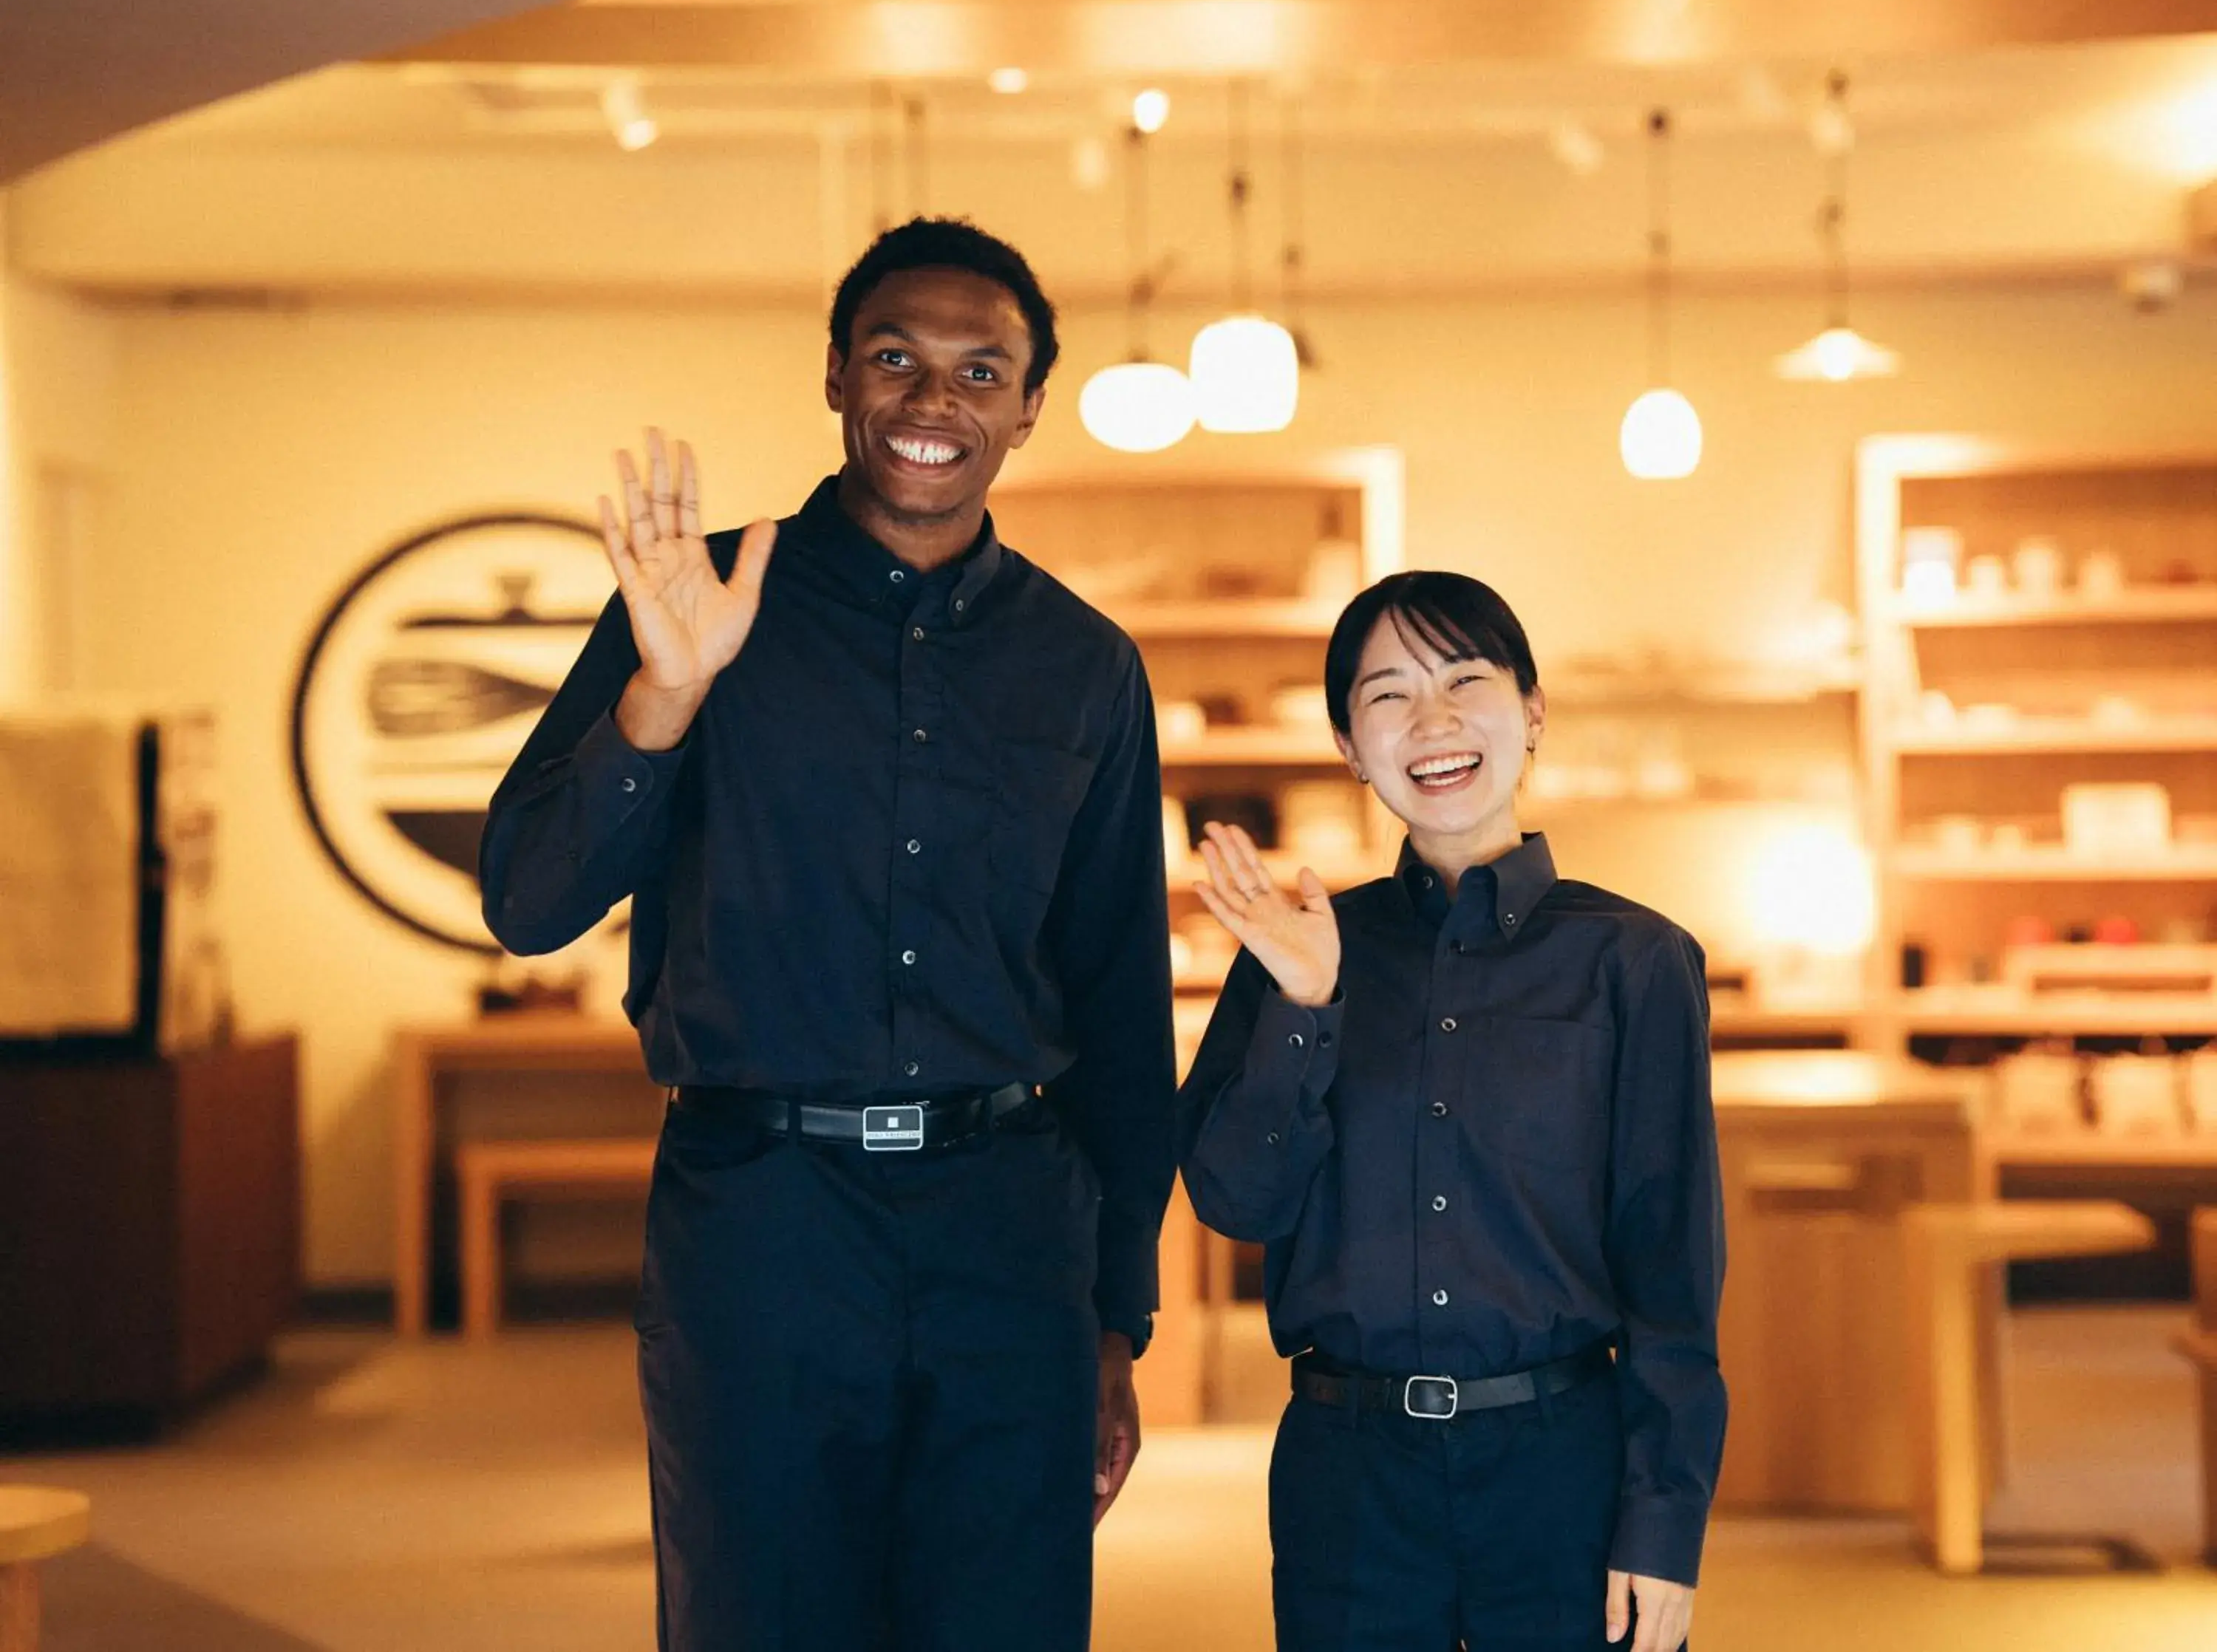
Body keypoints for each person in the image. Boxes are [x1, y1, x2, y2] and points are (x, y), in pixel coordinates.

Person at [479, 217, 1176, 1652]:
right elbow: (528, 903)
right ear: (837, 379)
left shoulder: (1086, 666)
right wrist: (662, 699)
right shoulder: (693, 600)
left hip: (1011, 1231)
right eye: (896, 359)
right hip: (761, 1222)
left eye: (982, 370)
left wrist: (1116, 1317)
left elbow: (1119, 1005)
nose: (936, 401)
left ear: (1031, 404)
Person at [1178, 570, 1725, 1652]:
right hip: (1348, 1469)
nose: (1430, 721)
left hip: (1561, 1460)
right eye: (1387, 695)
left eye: (1463, 680)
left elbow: (1673, 1274)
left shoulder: (1636, 961)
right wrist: (1305, 1006)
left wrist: (1664, 1525)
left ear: (1530, 712)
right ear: (1347, 744)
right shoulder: (1297, 947)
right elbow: (1236, 1200)